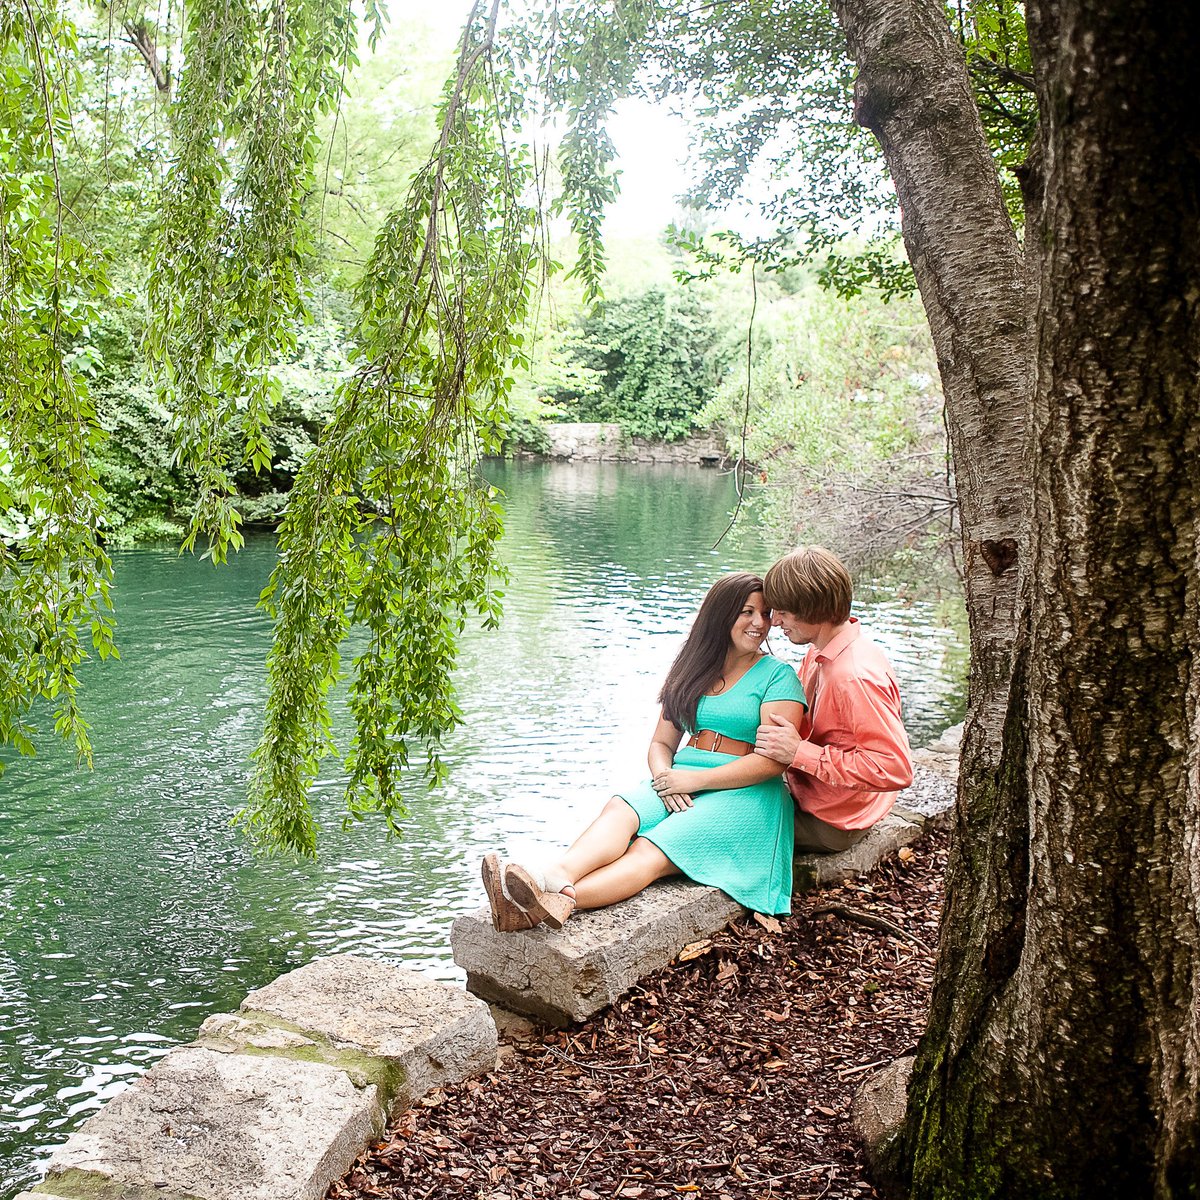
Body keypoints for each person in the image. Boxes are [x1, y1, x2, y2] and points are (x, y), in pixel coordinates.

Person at [482, 572, 806, 932]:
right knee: (622, 807)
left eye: (765, 614)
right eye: (747, 612)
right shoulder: (695, 668)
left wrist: (694, 779)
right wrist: (665, 777)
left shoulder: (779, 676)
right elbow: (661, 744)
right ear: (721, 615)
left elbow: (772, 762)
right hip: (682, 777)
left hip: (747, 792)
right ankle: (557, 875)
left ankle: (544, 902)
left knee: (652, 848)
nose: (759, 623)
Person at [754, 546, 913, 853]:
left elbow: (894, 768)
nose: (774, 622)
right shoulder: (820, 651)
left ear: (813, 609)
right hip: (811, 791)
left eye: (784, 612)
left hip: (830, 820)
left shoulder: (853, 676)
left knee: (719, 822)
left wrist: (799, 753)